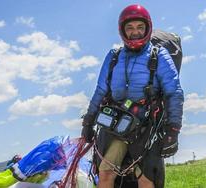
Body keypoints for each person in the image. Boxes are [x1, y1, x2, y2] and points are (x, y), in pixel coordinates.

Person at [81, 4, 184, 188]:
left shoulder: (159, 55)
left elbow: (173, 92)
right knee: (105, 173)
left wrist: (173, 130)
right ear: (123, 30)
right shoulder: (114, 56)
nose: (135, 32)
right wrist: (88, 122)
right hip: (114, 125)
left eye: (139, 27)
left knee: (146, 179)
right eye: (130, 28)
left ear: (147, 28)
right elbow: (100, 91)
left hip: (146, 127)